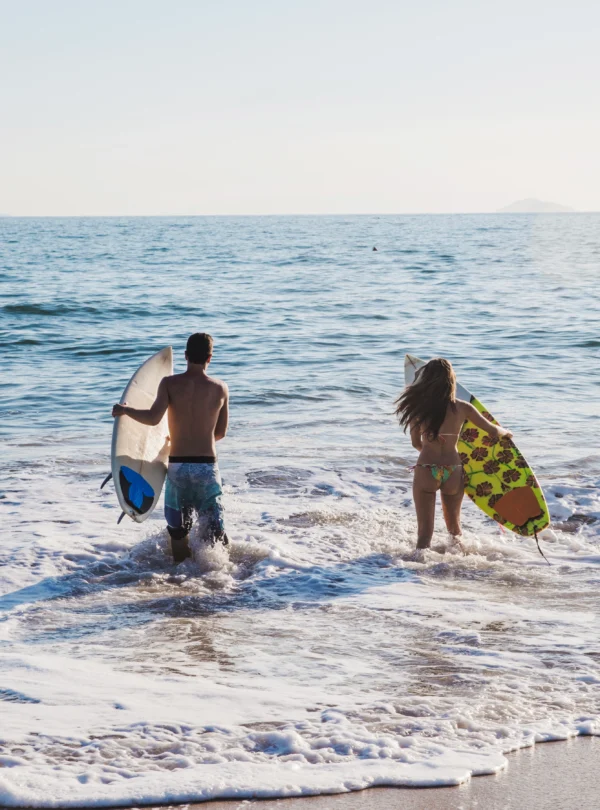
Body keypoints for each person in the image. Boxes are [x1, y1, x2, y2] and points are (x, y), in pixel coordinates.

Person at [112, 333, 229, 562]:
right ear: (210, 358)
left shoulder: (169, 383)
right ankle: (220, 577)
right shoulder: (220, 388)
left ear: (185, 356)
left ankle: (181, 575)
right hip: (207, 468)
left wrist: (126, 410)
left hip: (178, 467)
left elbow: (153, 418)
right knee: (214, 529)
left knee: (178, 529)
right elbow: (220, 433)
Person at [395, 358, 512, 551]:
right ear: (451, 381)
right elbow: (492, 430)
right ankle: (458, 565)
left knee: (424, 535)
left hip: (427, 469)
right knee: (455, 532)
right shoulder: (463, 408)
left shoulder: (419, 409)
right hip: (453, 470)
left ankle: (417, 572)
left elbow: (416, 443)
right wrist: (506, 432)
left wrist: (429, 453)